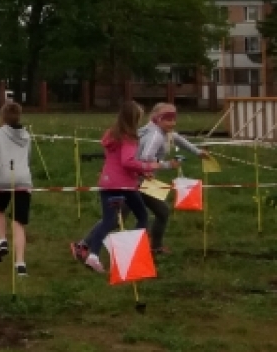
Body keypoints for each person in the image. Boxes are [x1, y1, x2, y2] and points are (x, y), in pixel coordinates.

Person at [72, 102, 175, 274]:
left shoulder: (112, 134)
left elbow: (114, 158)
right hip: (124, 185)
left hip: (107, 182)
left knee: (108, 221)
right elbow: (127, 162)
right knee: (142, 216)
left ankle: (93, 255)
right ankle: (131, 252)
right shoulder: (129, 137)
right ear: (134, 119)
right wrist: (148, 167)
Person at [138, 102, 209, 255]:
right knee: (115, 219)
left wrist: (198, 152)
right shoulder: (155, 135)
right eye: (168, 119)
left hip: (144, 180)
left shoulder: (164, 132)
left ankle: (154, 247)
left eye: (173, 118)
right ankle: (86, 245)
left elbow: (179, 140)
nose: (172, 123)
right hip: (135, 181)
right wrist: (168, 165)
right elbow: (145, 159)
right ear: (157, 119)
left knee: (161, 212)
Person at [0, 100, 32, 278]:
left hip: (3, 179)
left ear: (2, 116)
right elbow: (28, 157)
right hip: (23, 179)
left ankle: (2, 240)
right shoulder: (26, 135)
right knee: (18, 222)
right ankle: (20, 264)